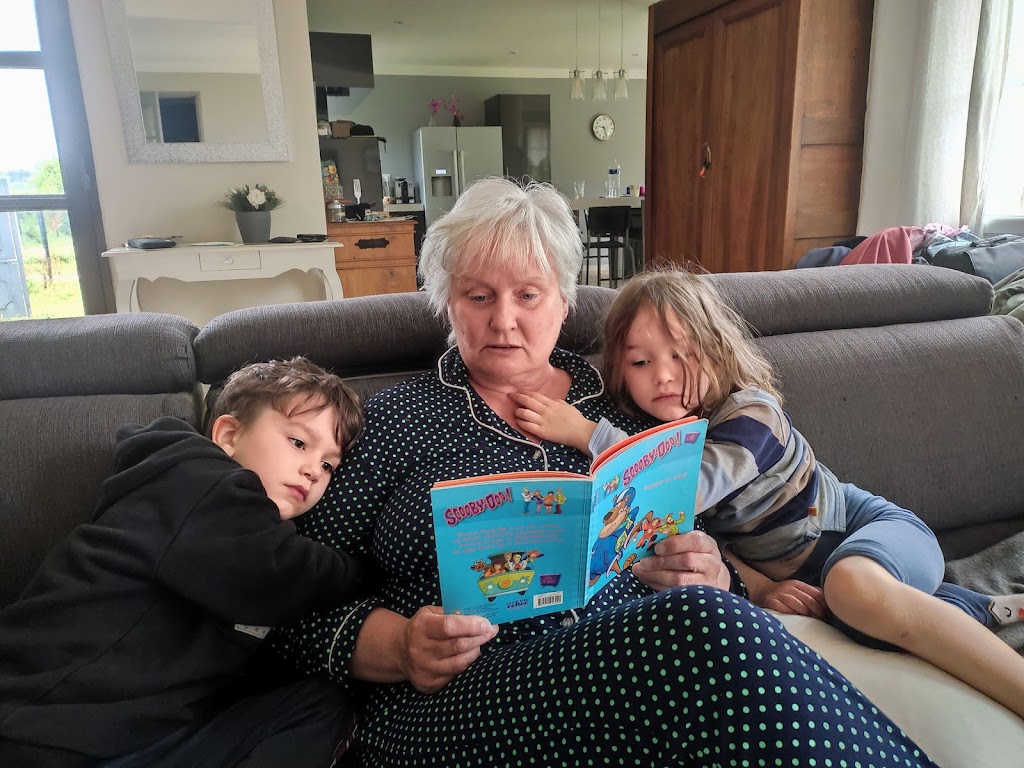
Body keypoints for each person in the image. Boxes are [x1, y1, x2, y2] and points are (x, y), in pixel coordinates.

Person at [272, 178, 940, 767]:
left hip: (642, 679)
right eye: (478, 296)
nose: (504, 320)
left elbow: (715, 544)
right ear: (446, 302)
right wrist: (400, 647)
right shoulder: (392, 421)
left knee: (706, 625)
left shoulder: (629, 407)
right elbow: (289, 608)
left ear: (564, 301)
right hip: (462, 696)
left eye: (528, 295)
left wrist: (711, 570)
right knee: (700, 631)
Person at [512, 268, 1024, 722]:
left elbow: (686, 491)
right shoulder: (661, 433)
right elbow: (713, 540)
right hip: (815, 580)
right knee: (851, 619)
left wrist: (588, 434)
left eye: (683, 354)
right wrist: (758, 589)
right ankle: (981, 609)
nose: (663, 375)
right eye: (641, 362)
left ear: (718, 348)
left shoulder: (752, 414)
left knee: (852, 589)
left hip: (870, 530)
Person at [0, 357, 374, 767]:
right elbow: (278, 570)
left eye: (328, 465)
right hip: (44, 723)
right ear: (229, 435)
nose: (313, 471)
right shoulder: (197, 482)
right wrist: (367, 569)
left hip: (143, 735)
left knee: (320, 705)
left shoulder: (254, 530)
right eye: (299, 443)